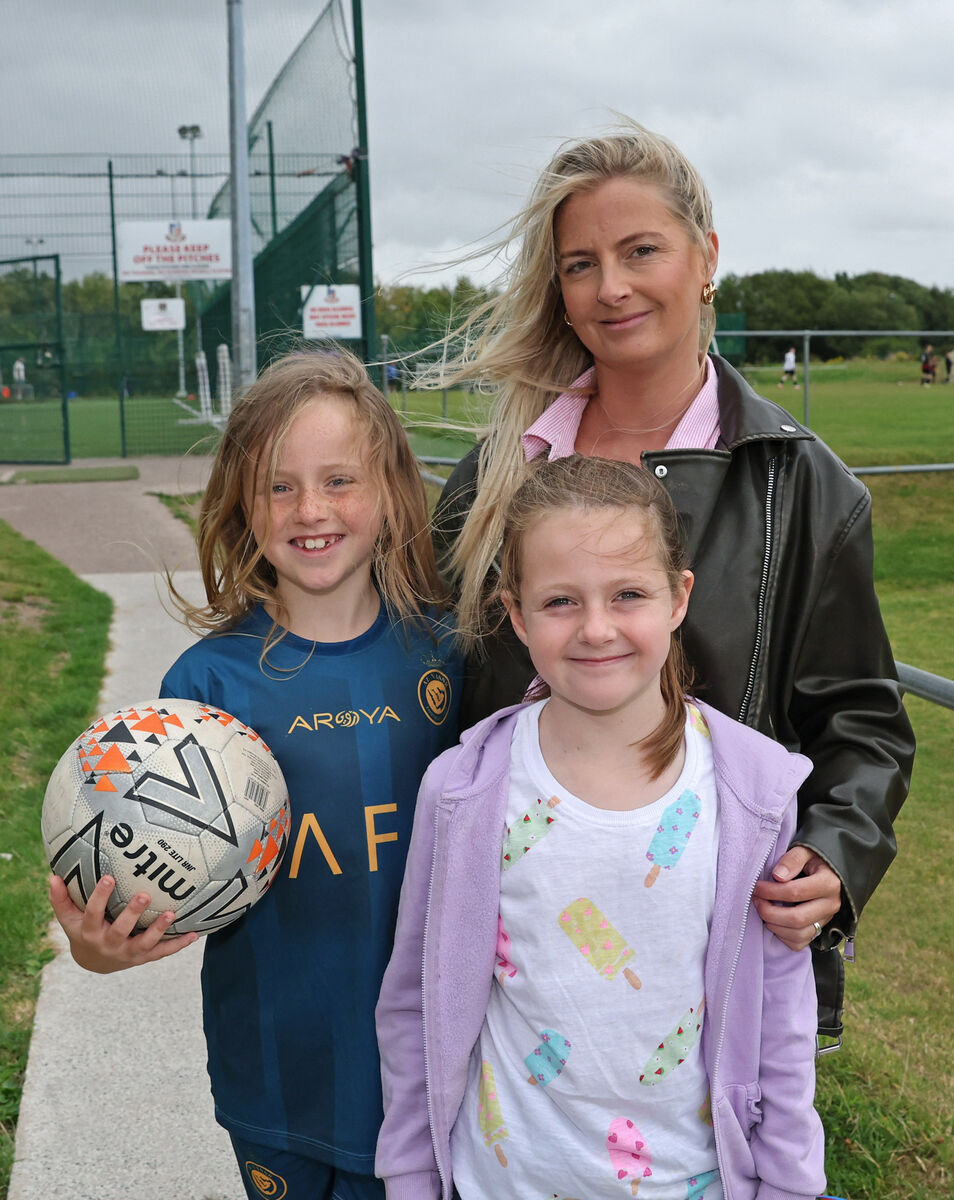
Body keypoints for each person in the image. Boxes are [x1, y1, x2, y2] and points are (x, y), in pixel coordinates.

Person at [429, 121, 914, 1044]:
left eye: (640, 250)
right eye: (579, 264)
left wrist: (837, 852)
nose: (610, 287)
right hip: (511, 949)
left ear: (706, 260)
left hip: (707, 960)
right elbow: (430, 695)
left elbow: (863, 723)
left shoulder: (803, 487)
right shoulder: (497, 474)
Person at [50, 348, 463, 1200]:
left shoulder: (449, 653)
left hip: (437, 1084)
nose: (312, 509)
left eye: (340, 480)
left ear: (390, 490)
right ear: (243, 500)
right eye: (280, 485)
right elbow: (158, 878)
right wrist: (101, 950)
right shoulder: (205, 690)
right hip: (278, 1082)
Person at [376, 454, 826, 1200]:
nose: (595, 629)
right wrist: (412, 1173)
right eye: (560, 601)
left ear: (678, 598)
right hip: (501, 1184)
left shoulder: (752, 792)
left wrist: (789, 1182)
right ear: (515, 613)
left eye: (627, 595)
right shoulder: (463, 790)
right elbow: (414, 1002)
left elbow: (780, 1019)